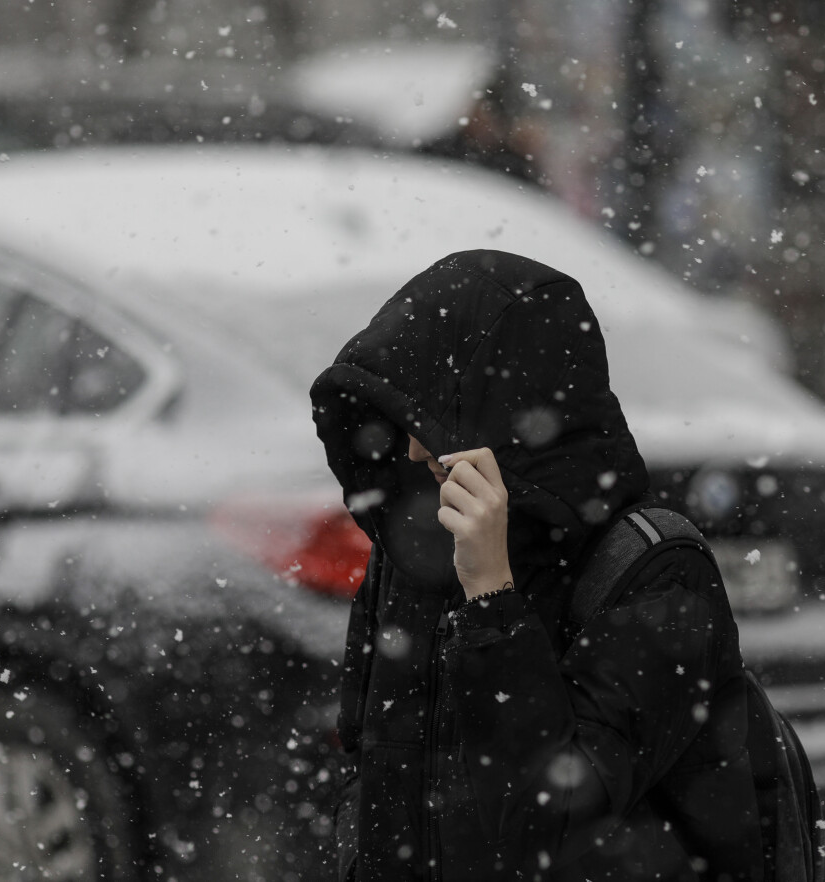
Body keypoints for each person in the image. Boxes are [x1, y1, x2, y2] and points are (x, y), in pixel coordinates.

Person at [310, 250, 761, 881]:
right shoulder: (416, 560)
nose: (413, 447)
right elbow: (373, 776)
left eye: (434, 415)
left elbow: (553, 827)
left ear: (504, 411)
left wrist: (491, 599)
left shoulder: (654, 571)